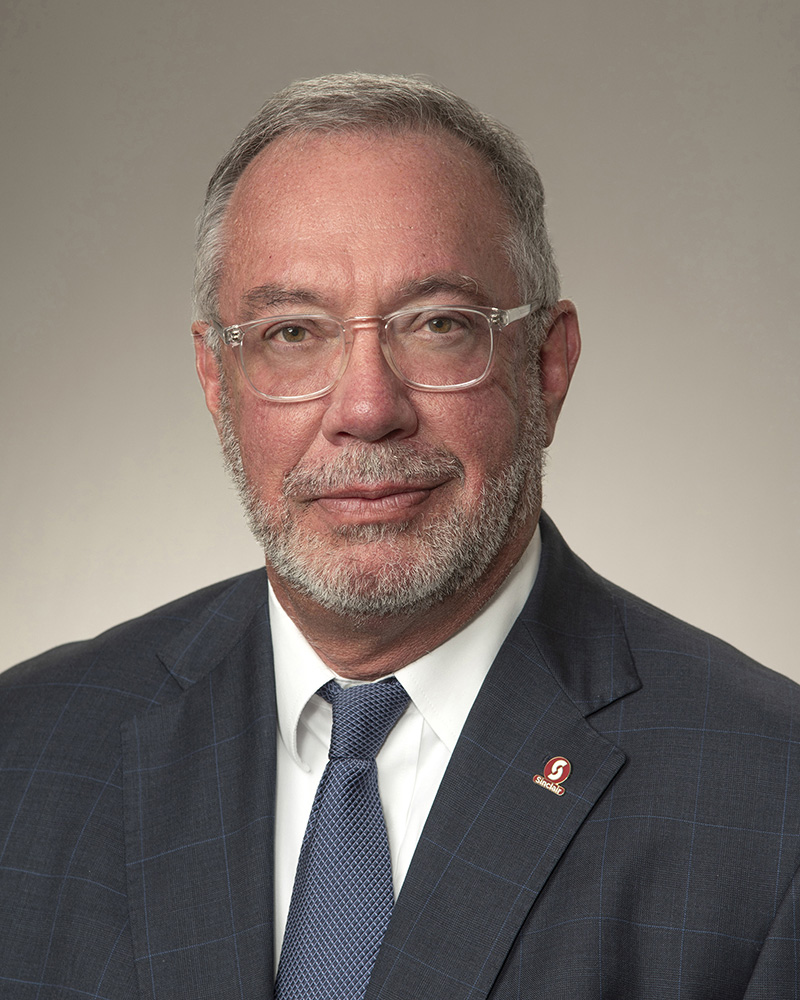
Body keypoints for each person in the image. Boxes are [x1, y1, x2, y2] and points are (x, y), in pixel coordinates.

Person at [0, 73, 797, 1000]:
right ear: (219, 381)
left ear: (547, 365)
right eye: (293, 332)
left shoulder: (770, 806)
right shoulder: (27, 753)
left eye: (437, 326)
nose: (368, 409)